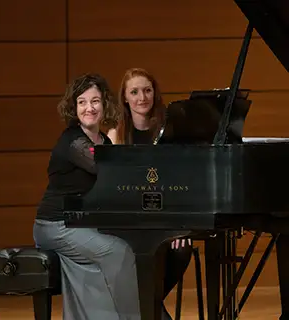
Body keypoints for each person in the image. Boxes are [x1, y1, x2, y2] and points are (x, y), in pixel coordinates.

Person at [33, 73, 141, 320]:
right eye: (82, 102)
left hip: (80, 223)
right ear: (74, 107)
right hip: (55, 225)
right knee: (119, 251)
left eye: (95, 101)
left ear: (104, 105)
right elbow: (105, 169)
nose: (89, 108)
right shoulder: (73, 143)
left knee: (132, 248)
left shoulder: (102, 140)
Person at [108, 67, 193, 317]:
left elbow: (180, 182)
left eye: (147, 90)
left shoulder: (170, 130)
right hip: (132, 218)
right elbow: (116, 185)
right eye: (134, 92)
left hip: (165, 217)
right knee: (144, 249)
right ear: (125, 97)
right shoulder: (117, 133)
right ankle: (148, 309)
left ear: (155, 94)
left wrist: (179, 225)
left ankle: (143, 308)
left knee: (181, 248)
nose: (141, 97)